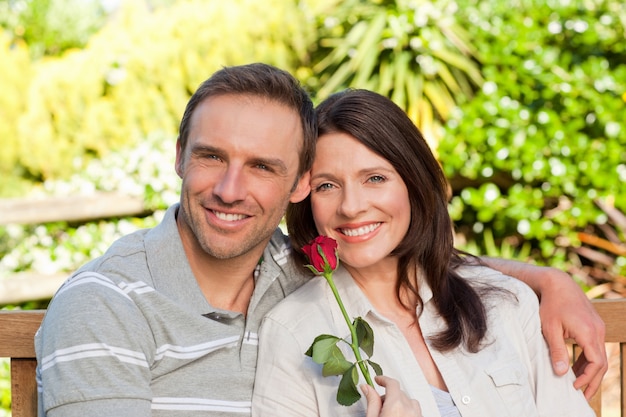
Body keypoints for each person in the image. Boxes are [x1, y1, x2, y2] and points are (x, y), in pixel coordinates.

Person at [34, 63, 604, 417]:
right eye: (211, 157)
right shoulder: (105, 307)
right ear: (179, 157)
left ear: (296, 185)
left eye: (262, 166)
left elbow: (411, 260)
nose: (231, 190)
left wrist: (544, 279)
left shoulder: (304, 270)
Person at [251, 89, 597, 416]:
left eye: (374, 178)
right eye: (326, 186)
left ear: (413, 182)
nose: (352, 207)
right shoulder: (293, 334)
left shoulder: (506, 304)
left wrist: (551, 278)